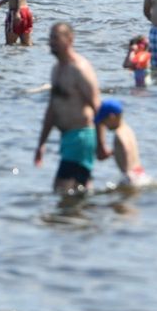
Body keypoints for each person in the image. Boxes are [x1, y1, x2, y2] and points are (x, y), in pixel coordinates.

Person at [34, 21, 102, 195]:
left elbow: (97, 107)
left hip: (81, 137)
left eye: (56, 38)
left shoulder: (80, 69)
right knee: (79, 189)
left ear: (69, 39)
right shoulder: (56, 70)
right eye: (50, 38)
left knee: (60, 189)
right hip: (67, 138)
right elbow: (52, 109)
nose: (51, 42)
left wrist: (101, 144)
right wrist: (41, 143)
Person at [95, 98, 148, 188]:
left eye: (104, 121)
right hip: (140, 173)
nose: (104, 125)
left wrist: (127, 175)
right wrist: (114, 152)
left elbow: (125, 148)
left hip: (130, 176)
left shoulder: (118, 134)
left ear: (112, 117)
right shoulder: (127, 129)